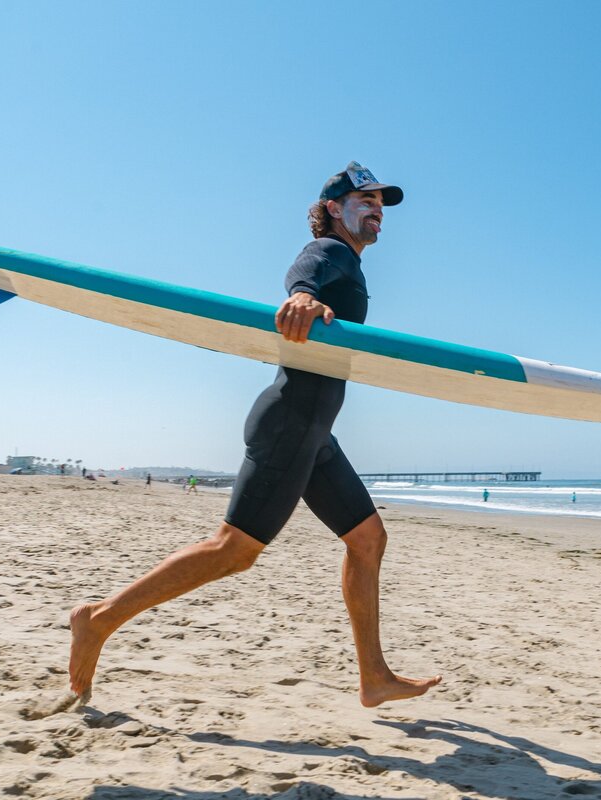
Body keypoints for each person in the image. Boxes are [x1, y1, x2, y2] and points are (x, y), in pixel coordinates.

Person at [68, 162, 440, 708]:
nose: (377, 208)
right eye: (366, 199)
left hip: (315, 434)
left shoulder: (352, 267)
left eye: (382, 202)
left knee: (367, 539)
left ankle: (374, 677)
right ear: (334, 208)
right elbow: (305, 269)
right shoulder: (331, 252)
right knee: (234, 551)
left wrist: (317, 299)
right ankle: (98, 619)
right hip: (291, 423)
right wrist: (303, 295)